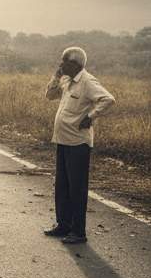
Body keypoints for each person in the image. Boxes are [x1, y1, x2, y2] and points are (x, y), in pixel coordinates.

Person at [44, 47, 115, 245]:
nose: (61, 64)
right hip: (63, 140)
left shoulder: (88, 81)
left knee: (77, 189)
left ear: (75, 64)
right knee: (62, 186)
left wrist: (90, 116)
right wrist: (57, 75)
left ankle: (78, 231)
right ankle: (63, 225)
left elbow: (108, 99)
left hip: (78, 143)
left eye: (64, 61)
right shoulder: (67, 79)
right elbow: (49, 95)